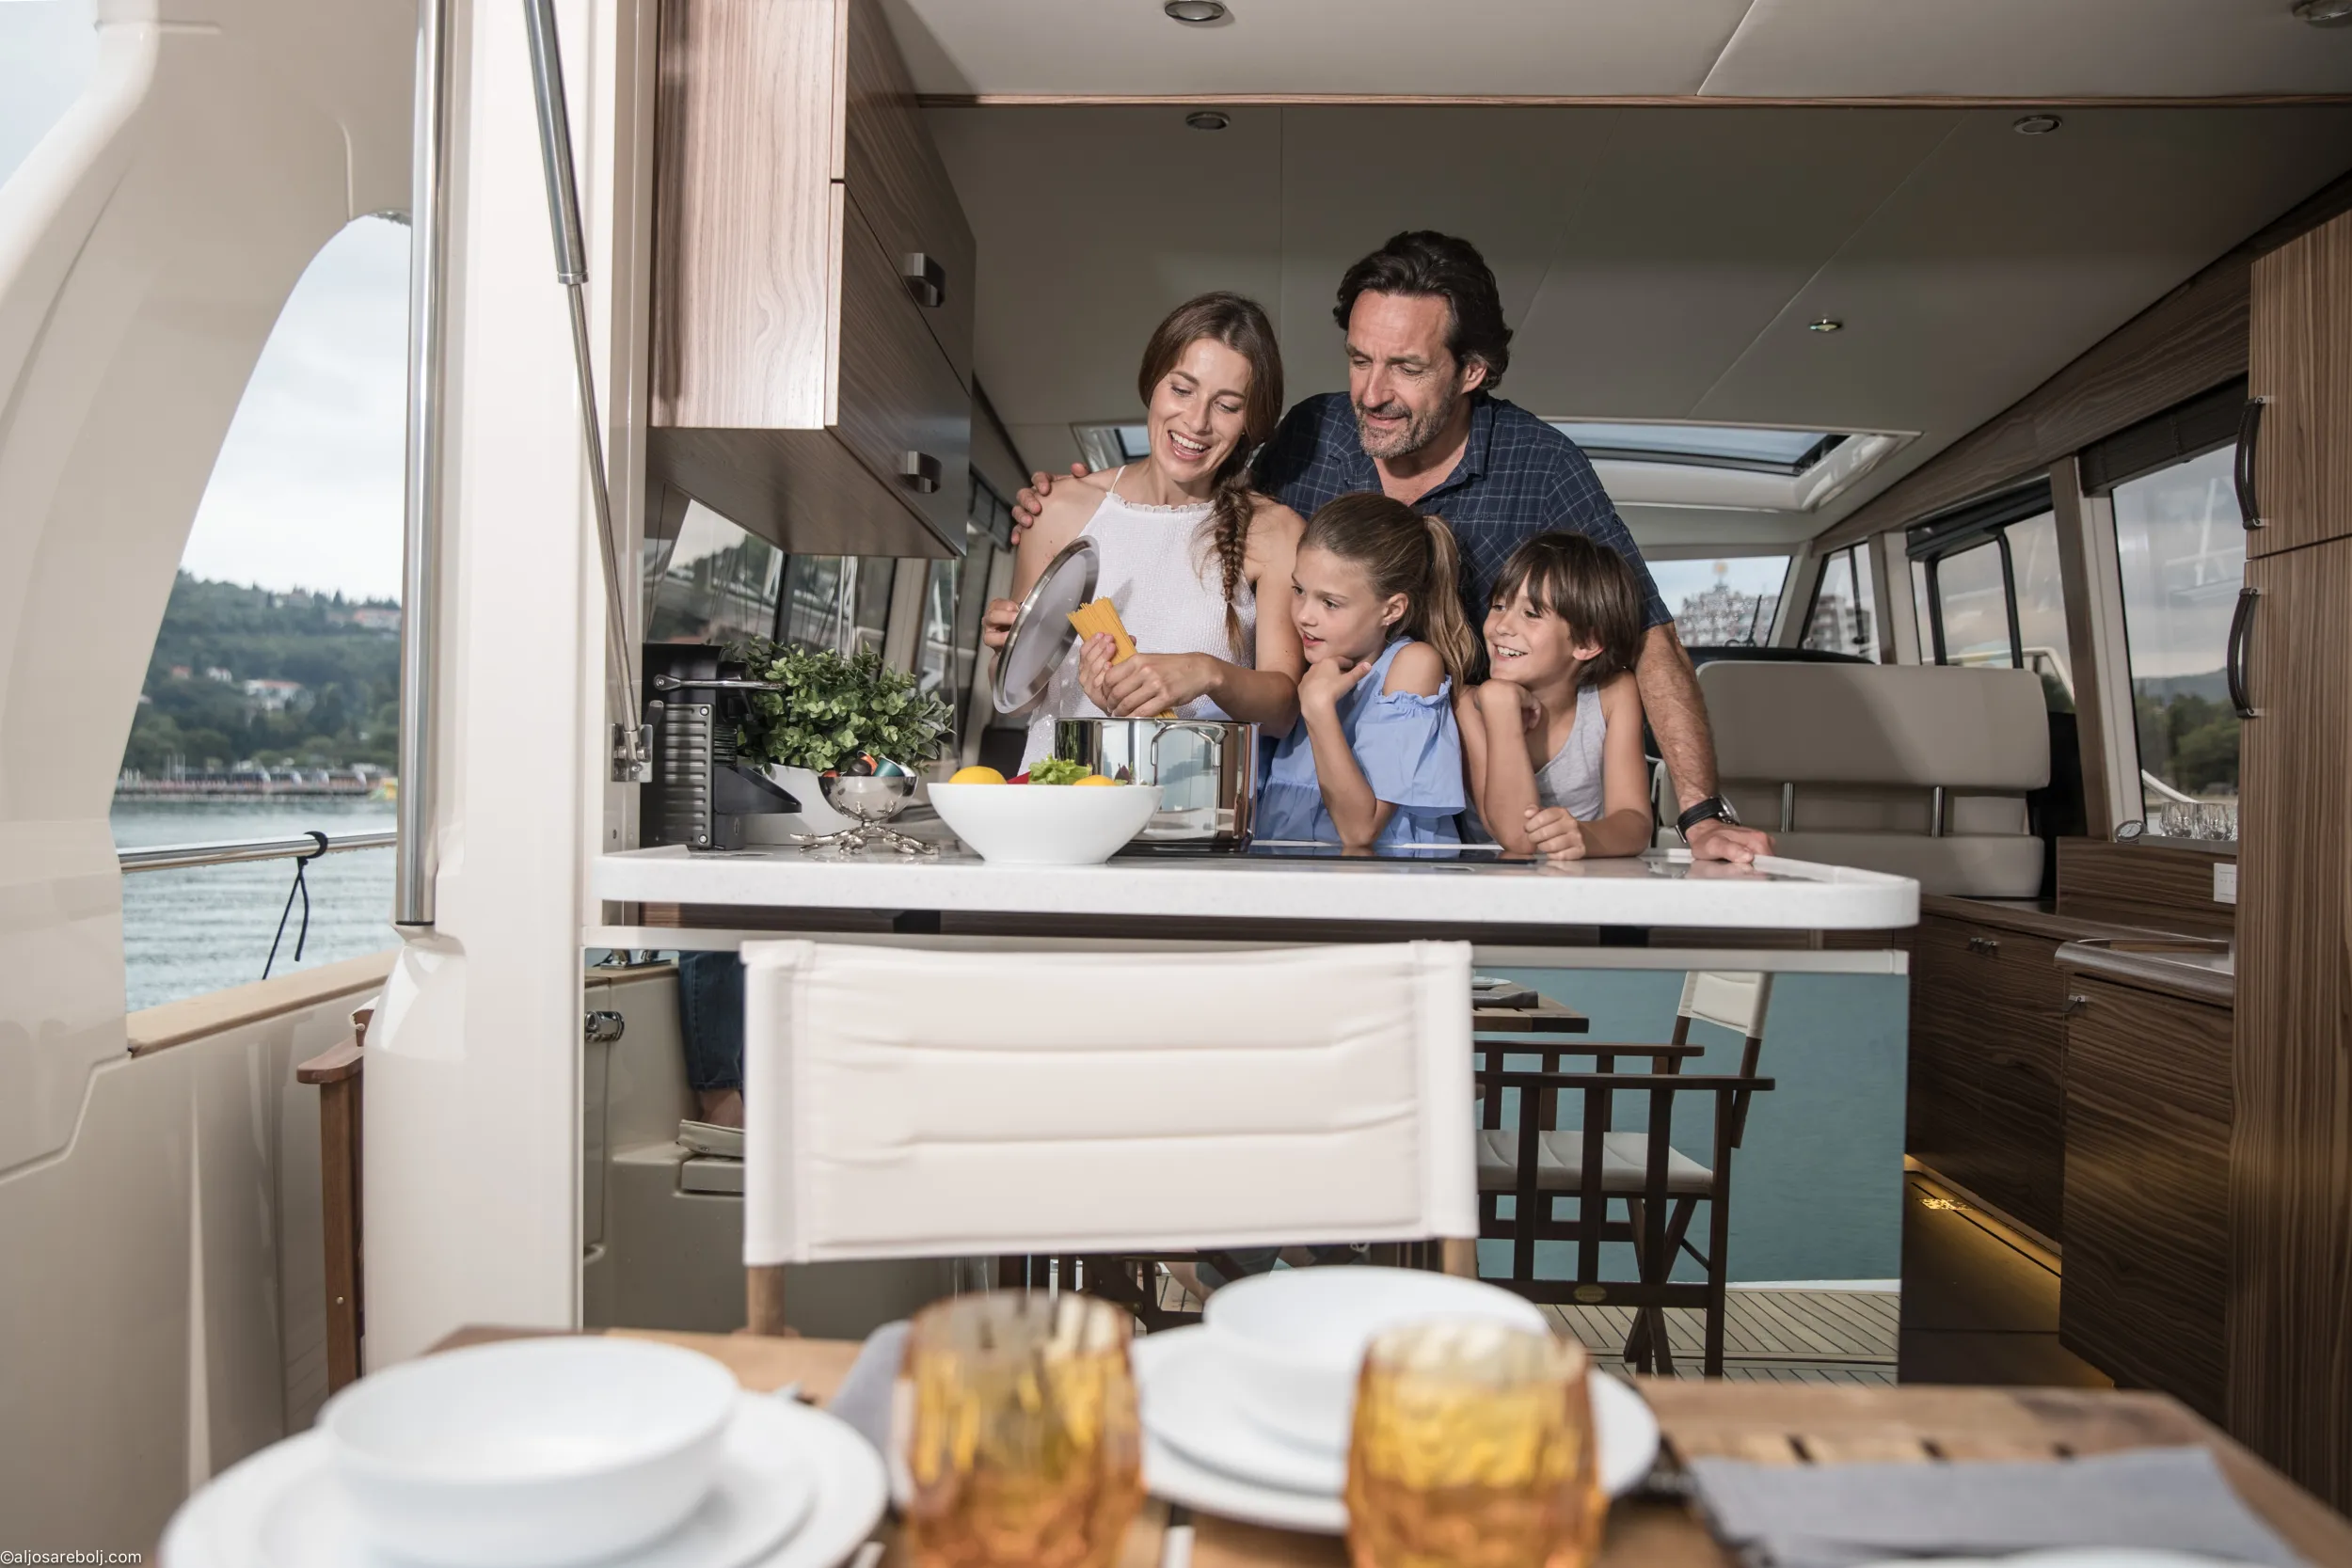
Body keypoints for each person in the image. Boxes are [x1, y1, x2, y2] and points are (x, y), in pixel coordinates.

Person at [1012, 231, 1773, 864]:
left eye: (1406, 368)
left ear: (1471, 372)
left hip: (1457, 820)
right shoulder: (1312, 436)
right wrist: (1085, 502)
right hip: (1289, 797)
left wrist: (1701, 812)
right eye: (1359, 359)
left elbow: (1649, 636)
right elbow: (1201, 510)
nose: (1372, 393)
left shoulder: (1543, 466)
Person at [981, 293, 1304, 767]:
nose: (1196, 421)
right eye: (1182, 390)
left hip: (1191, 801)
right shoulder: (1056, 509)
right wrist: (1008, 653)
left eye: (1226, 405)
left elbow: (1283, 711)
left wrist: (1206, 672)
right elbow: (1018, 701)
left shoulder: (1275, 531)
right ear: (1152, 383)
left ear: (1251, 423)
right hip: (1059, 796)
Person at [1258, 495, 1478, 849]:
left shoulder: (1413, 664)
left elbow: (1360, 830)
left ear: (1391, 610)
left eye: (1330, 603)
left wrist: (1317, 709)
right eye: (1298, 590)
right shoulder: (1311, 665)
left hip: (1381, 881)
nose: (1303, 616)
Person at [1457, 532, 1656, 860]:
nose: (1502, 626)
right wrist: (1500, 706)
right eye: (1499, 606)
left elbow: (1635, 823)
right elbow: (1518, 839)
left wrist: (1585, 836)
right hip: (1492, 884)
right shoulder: (1469, 704)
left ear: (1587, 643)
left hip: (1582, 881)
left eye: (1531, 614)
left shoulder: (1613, 694)